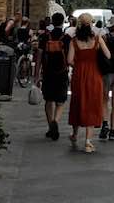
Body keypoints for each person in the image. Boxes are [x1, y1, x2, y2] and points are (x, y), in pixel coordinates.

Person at [67, 13, 111, 153]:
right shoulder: (97, 39)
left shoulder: (74, 41)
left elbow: (69, 60)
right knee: (92, 104)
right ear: (91, 24)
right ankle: (88, 142)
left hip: (79, 75)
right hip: (95, 75)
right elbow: (108, 55)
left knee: (77, 103)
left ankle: (74, 134)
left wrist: (79, 65)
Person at [37, 12, 69, 141]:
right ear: (62, 22)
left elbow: (39, 56)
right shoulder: (66, 38)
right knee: (60, 101)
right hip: (62, 72)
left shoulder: (45, 37)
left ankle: (51, 125)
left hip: (48, 72)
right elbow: (70, 57)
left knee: (48, 100)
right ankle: (56, 120)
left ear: (52, 22)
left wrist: (36, 74)